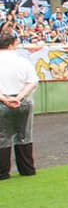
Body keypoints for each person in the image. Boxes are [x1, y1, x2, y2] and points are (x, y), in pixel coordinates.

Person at [0, 33, 38, 179]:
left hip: (3, 101)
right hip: (22, 99)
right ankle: (27, 169)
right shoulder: (22, 61)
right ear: (11, 45)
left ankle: (2, 172)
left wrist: (4, 99)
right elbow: (32, 82)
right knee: (24, 135)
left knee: (3, 136)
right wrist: (19, 98)